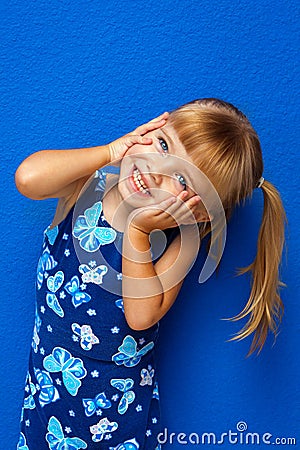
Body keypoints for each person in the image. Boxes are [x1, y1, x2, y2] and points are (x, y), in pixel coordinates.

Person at [15, 98, 287, 449]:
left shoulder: (178, 245)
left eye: (181, 179)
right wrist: (110, 151)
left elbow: (141, 316)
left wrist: (138, 233)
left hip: (116, 418)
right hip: (47, 399)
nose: (155, 169)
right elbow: (27, 179)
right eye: (162, 144)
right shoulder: (87, 187)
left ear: (200, 214)